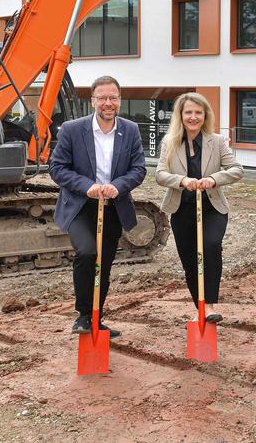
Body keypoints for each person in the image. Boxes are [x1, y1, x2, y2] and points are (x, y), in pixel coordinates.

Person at [49, 75, 146, 338]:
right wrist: (86, 185)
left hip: (113, 206)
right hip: (81, 206)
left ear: (119, 100)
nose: (108, 103)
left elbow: (139, 169)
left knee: (103, 264)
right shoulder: (72, 129)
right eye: (102, 98)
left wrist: (119, 185)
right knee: (88, 253)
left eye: (113, 97)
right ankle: (82, 315)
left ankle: (96, 319)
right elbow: (57, 168)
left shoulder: (130, 130)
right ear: (92, 101)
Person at [156, 93, 243, 322]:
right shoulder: (170, 142)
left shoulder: (217, 141)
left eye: (198, 112)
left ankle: (211, 305)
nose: (193, 117)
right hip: (182, 209)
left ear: (205, 116)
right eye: (188, 112)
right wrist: (182, 181)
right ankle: (200, 308)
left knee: (210, 247)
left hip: (212, 207)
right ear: (181, 116)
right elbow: (160, 175)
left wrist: (214, 179)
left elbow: (236, 169)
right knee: (189, 259)